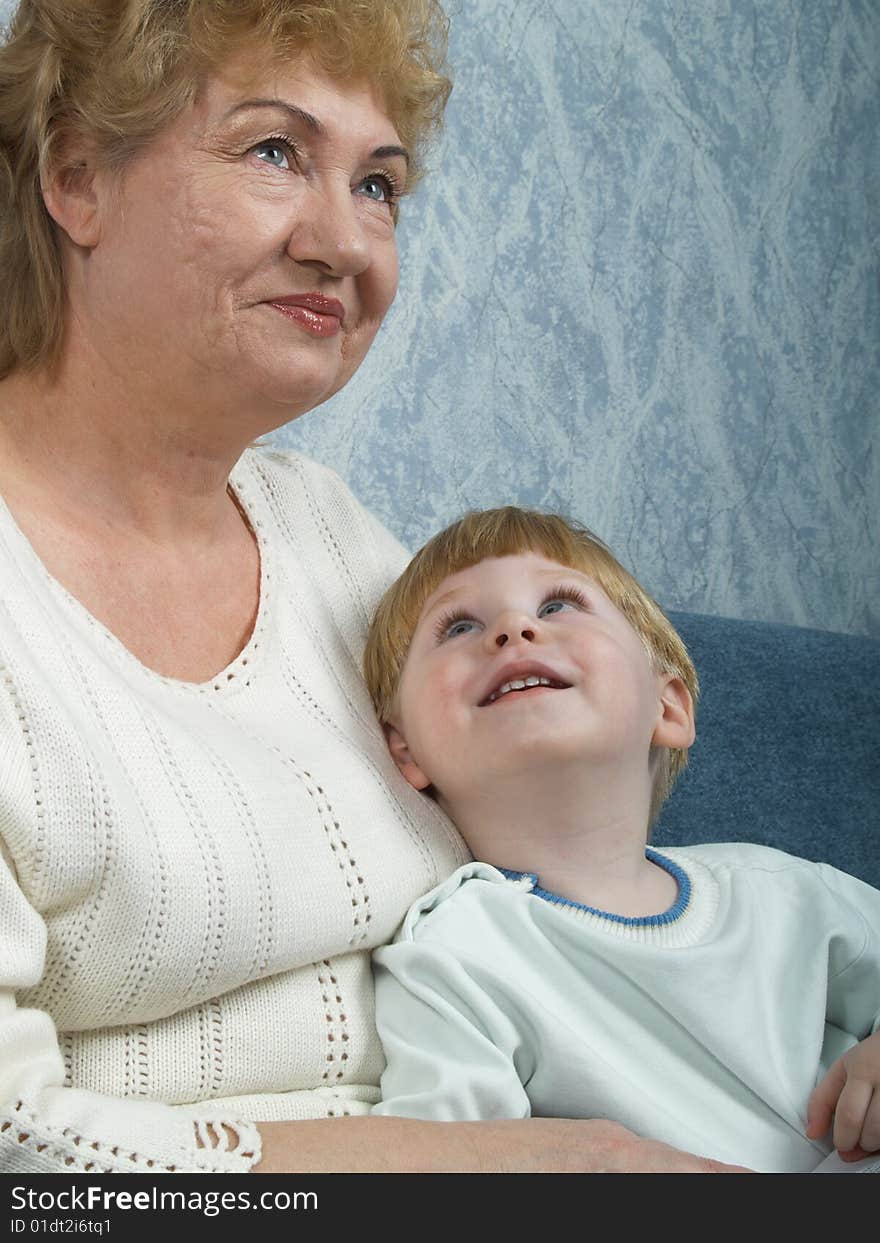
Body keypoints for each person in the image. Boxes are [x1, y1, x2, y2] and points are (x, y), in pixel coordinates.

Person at [0, 0, 748, 1175]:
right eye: (274, 152)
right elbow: (15, 1136)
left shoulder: (338, 541)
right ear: (78, 179)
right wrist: (521, 1170)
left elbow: (596, 881)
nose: (345, 244)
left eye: (380, 186)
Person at [364, 506, 880, 1173]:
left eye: (558, 604)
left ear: (668, 706)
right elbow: (444, 1164)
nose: (513, 629)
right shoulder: (456, 953)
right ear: (404, 747)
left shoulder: (778, 888)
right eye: (459, 625)